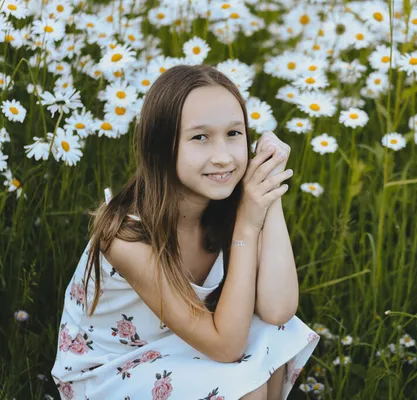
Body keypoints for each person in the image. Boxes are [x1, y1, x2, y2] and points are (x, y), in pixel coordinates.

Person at [51, 64, 320, 400]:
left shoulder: (232, 199)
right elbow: (227, 347)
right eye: (200, 137)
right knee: (244, 384)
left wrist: (268, 187)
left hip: (191, 341)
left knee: (274, 337)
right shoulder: (126, 236)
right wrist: (248, 227)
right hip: (113, 369)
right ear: (161, 147)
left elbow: (279, 311)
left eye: (234, 134)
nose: (222, 157)